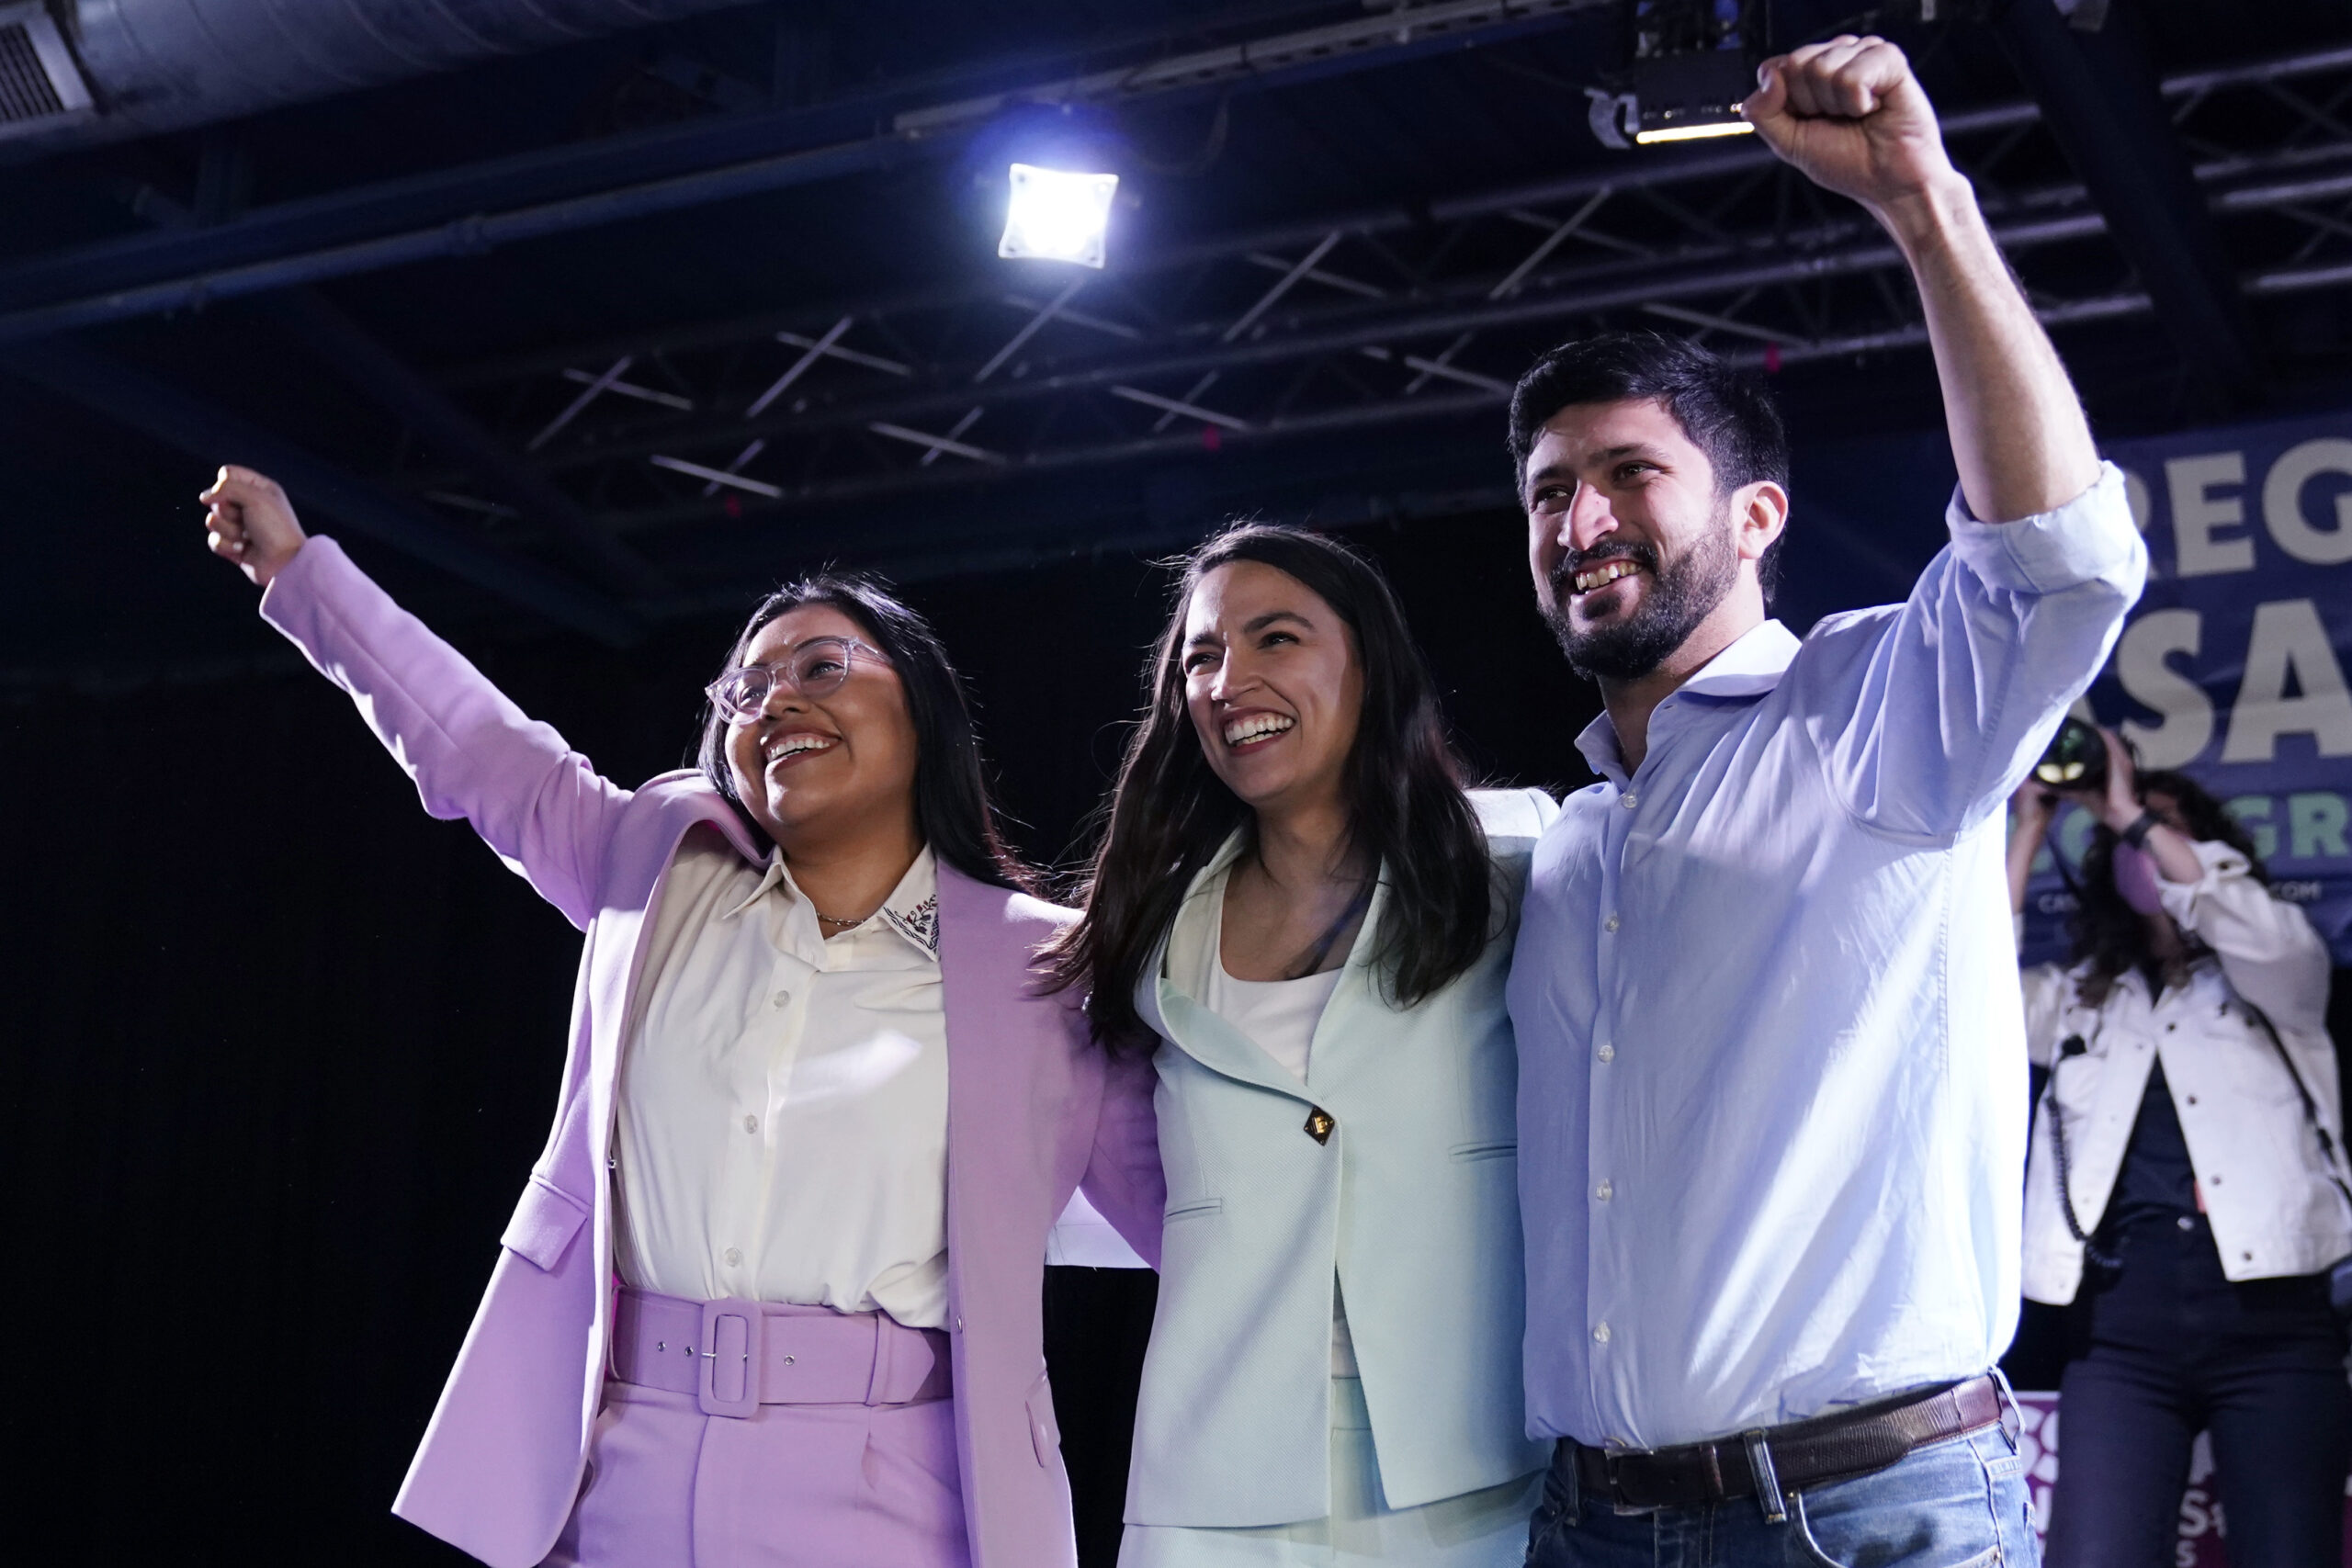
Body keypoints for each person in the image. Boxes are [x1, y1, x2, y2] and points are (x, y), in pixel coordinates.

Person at [197, 466, 1162, 1568]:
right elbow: (475, 746)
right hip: (624, 1467)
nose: (777, 700)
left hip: (896, 1489)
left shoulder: (1047, 967)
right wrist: (297, 568)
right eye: (744, 690)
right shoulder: (652, 869)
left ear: (924, 705)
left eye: (820, 666)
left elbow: (1196, 1211)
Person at [1505, 33, 2147, 1567]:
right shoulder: (1563, 838)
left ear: (1757, 514)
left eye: (1627, 474)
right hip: (1591, 1522)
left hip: (1860, 1521)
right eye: (1545, 490)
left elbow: (2061, 561)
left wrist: (1925, 203)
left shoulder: (1873, 717)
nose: (1580, 519)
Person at [1046, 525, 1554, 1566]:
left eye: (1275, 638)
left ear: (1368, 665)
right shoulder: (1146, 927)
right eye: (1201, 656)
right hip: (1215, 1487)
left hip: (1478, 1468)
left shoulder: (1513, 868)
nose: (1230, 681)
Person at [2007, 728, 2350, 1568]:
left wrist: (2125, 809)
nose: (2137, 848)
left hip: (2276, 1325)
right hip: (2121, 1332)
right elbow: (1961, 986)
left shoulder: (2280, 978)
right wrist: (2029, 826)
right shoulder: (2080, 999)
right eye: (2121, 840)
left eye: (2159, 832)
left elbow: (2271, 943)